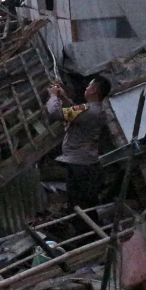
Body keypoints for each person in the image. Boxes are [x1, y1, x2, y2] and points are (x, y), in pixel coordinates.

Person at [46, 76, 111, 209]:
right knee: (86, 203)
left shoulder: (88, 110)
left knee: (79, 204)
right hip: (86, 163)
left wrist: (53, 96)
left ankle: (84, 227)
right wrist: (63, 98)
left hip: (80, 165)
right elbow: (74, 112)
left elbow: (55, 113)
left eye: (88, 86)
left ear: (93, 90)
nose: (86, 88)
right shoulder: (97, 110)